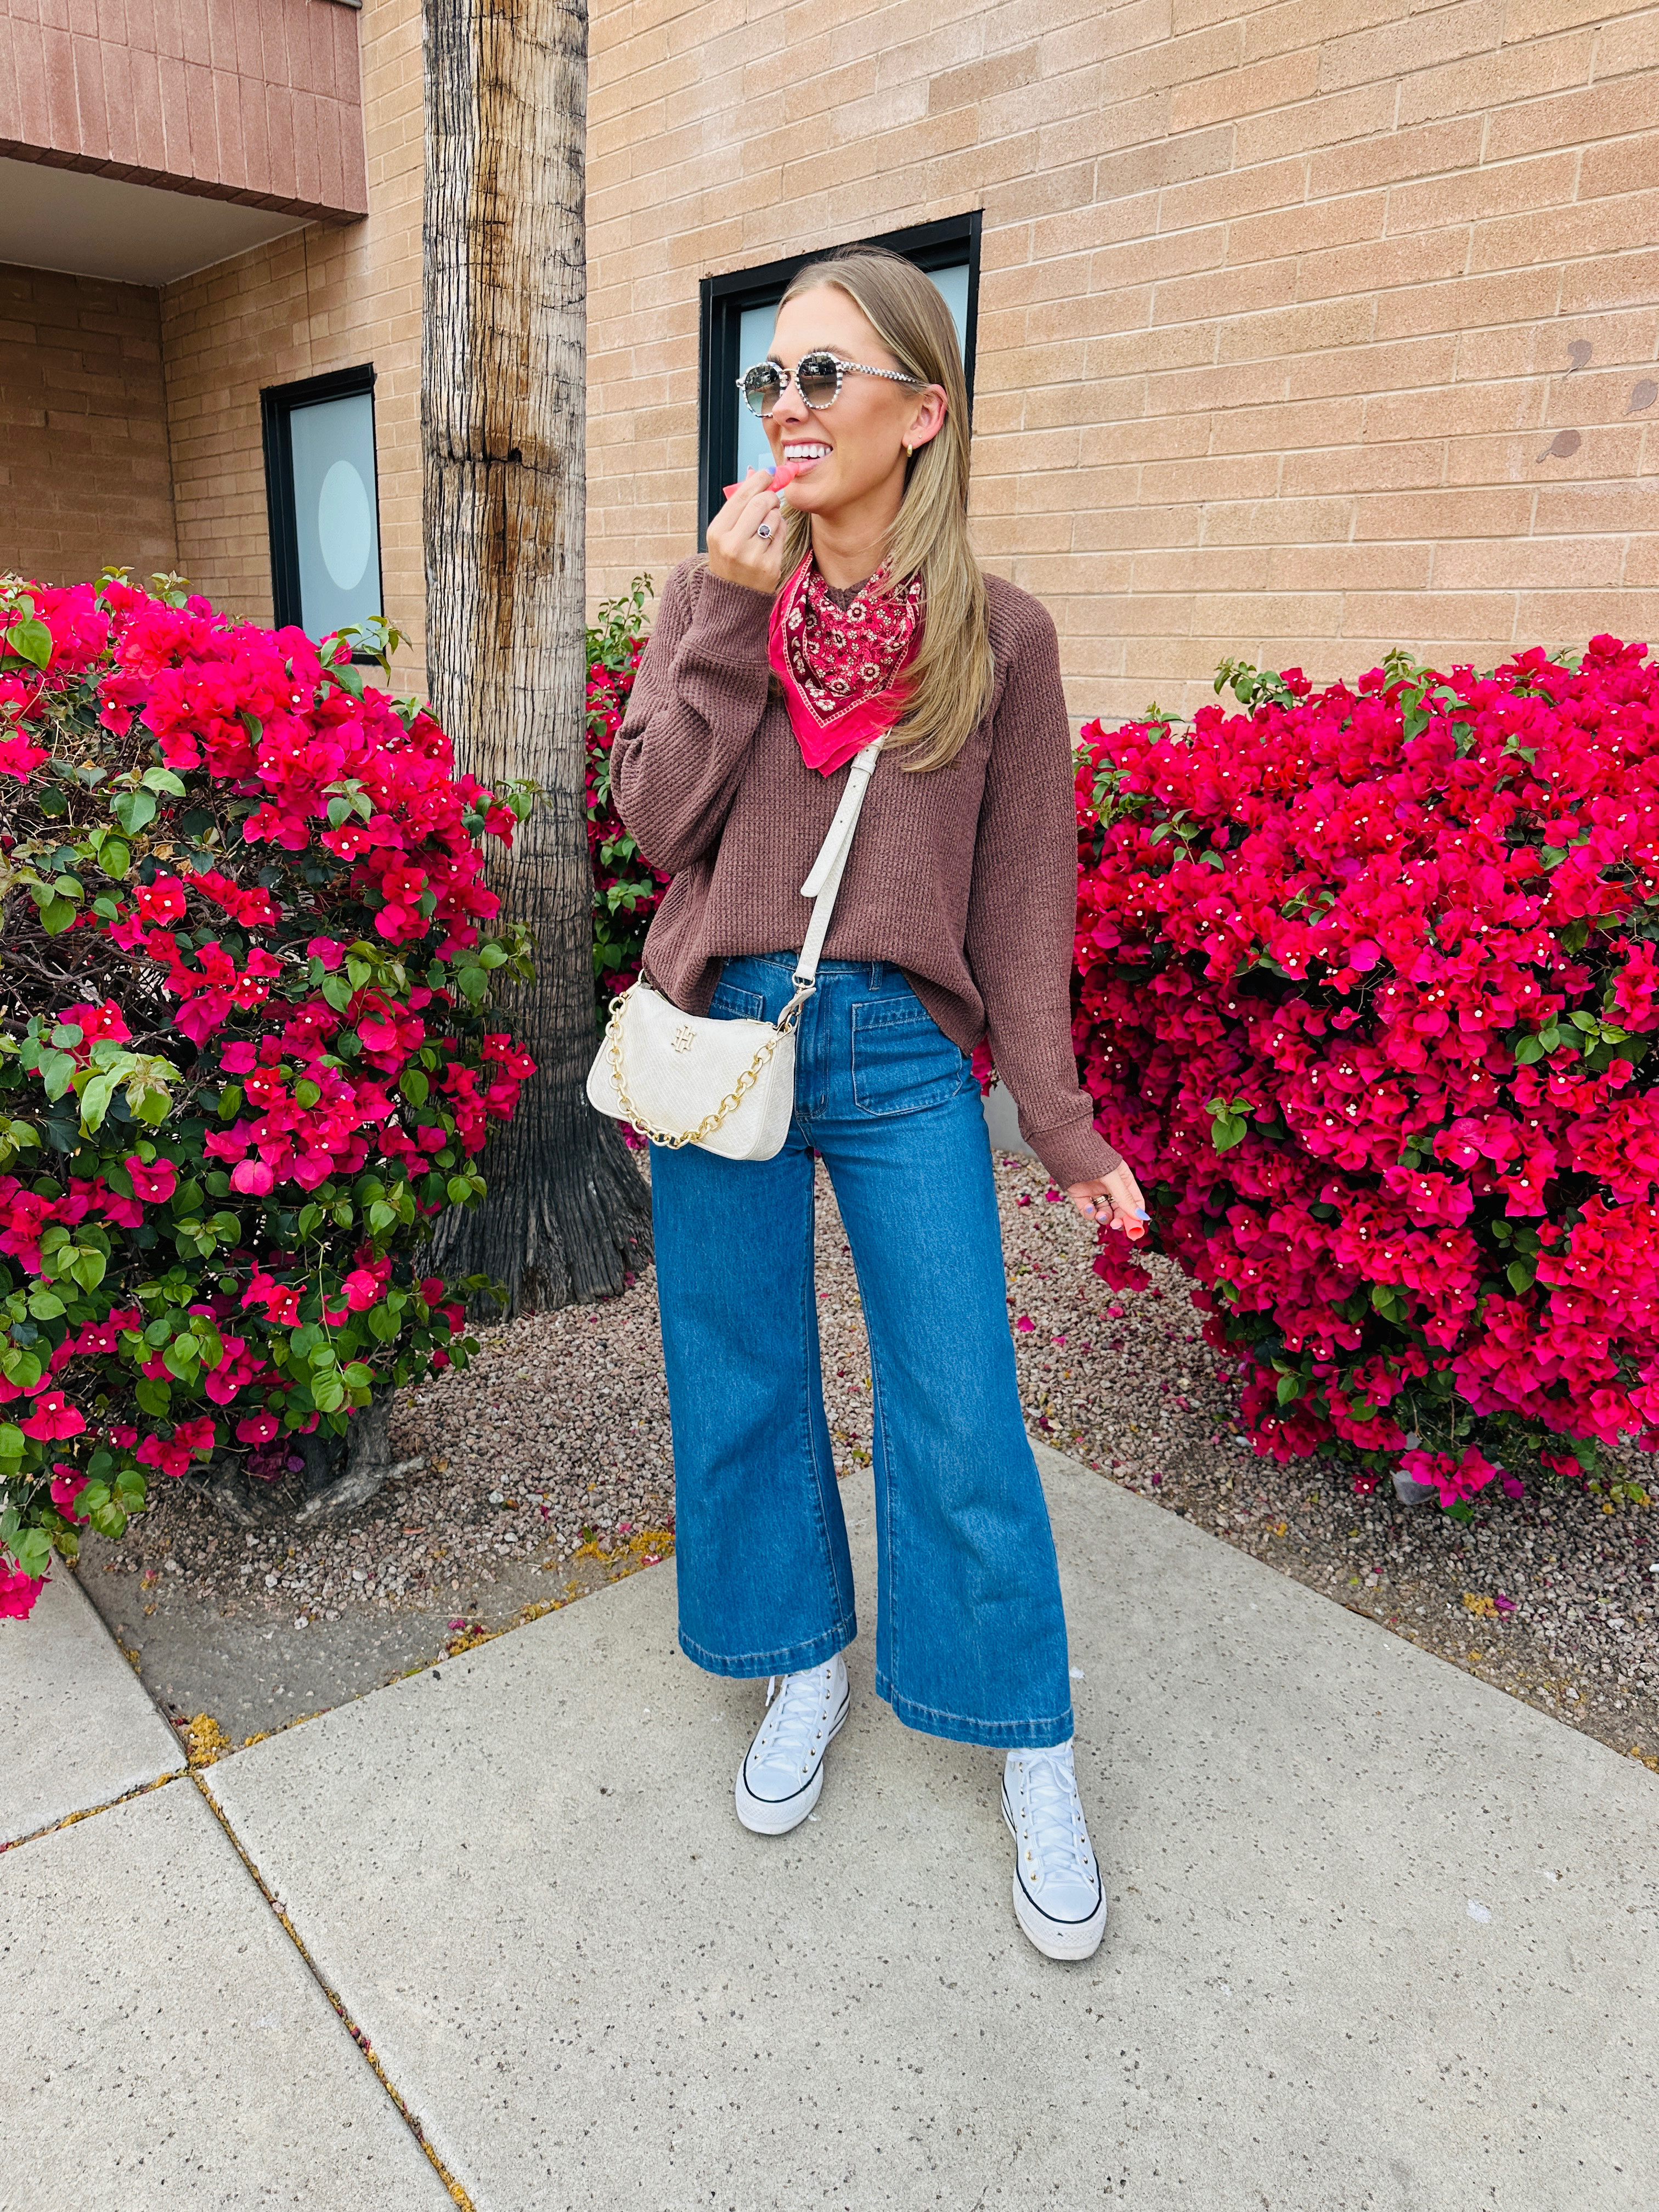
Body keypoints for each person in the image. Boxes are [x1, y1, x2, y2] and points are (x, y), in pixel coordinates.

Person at [611, 245, 1146, 1963]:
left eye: (825, 377)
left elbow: (1024, 904)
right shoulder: (717, 600)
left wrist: (1060, 1125)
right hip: (725, 1035)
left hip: (906, 1057)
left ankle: (1025, 1733)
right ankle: (802, 1664)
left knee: (961, 1406)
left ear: (925, 413)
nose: (789, 407)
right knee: (743, 1383)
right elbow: (651, 822)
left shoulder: (1006, 639)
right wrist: (713, 615)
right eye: (773, 377)